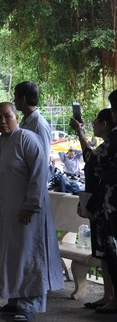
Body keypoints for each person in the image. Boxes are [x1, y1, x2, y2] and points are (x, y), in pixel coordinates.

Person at [0, 102, 63, 322]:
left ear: (16, 117)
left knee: (29, 256)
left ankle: (29, 305)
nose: (2, 121)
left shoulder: (28, 139)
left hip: (26, 212)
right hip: (4, 214)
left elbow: (39, 175)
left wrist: (30, 205)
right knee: (10, 256)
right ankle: (15, 299)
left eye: (6, 116)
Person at [70, 108, 116, 311]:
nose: (93, 124)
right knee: (104, 252)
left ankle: (112, 298)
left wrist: (79, 132)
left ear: (105, 123)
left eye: (96, 121)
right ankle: (108, 295)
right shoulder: (109, 143)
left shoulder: (112, 142)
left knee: (110, 250)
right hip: (101, 203)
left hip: (108, 204)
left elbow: (90, 157)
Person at [13, 81, 51, 157]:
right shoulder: (25, 120)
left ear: (23, 99)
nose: (14, 100)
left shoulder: (39, 126)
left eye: (15, 96)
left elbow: (43, 158)